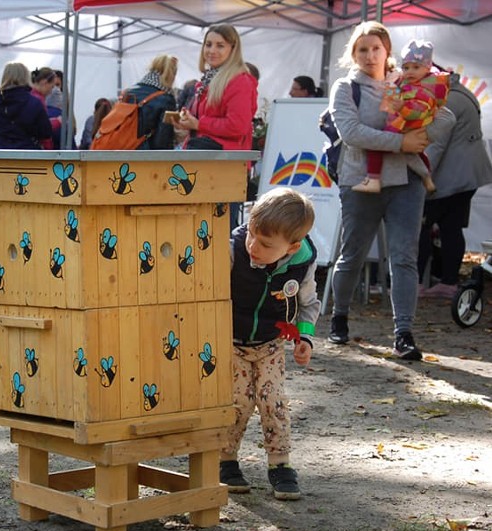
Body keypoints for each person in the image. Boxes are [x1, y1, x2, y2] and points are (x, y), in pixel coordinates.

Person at [326, 21, 454, 360]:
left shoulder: (407, 81)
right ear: (353, 53)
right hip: (359, 181)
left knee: (404, 258)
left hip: (406, 181)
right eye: (362, 49)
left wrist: (422, 139)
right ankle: (339, 318)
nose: (370, 55)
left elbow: (446, 117)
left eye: (376, 48)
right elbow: (352, 133)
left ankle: (404, 333)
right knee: (352, 254)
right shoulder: (344, 87)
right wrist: (402, 141)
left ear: (387, 51)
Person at [221, 188, 319, 501]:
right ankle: (225, 460)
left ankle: (279, 464)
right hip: (230, 340)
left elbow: (308, 303)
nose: (253, 245)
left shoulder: (303, 263)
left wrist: (304, 337)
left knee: (272, 398)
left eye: (265, 244)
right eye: (251, 234)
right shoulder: (234, 249)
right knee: (238, 400)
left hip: (271, 342)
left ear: (292, 246)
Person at [417, 65, 492, 299]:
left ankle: (416, 282)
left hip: (451, 177)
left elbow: (436, 145)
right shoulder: (463, 92)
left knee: (421, 226)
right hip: (468, 175)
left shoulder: (447, 100)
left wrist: (422, 174)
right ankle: (448, 282)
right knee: (452, 227)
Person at [174, 24, 257, 230]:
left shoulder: (240, 81)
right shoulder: (207, 80)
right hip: (204, 163)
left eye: (220, 45)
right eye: (208, 44)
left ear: (233, 48)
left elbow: (237, 125)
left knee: (219, 232)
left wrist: (198, 123)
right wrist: (187, 122)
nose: (212, 50)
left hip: (224, 167)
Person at [352, 40, 448, 194]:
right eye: (406, 67)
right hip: (411, 126)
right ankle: (427, 178)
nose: (409, 72)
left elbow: (420, 110)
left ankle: (373, 179)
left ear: (428, 67)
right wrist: (391, 91)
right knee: (417, 153)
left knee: (375, 147)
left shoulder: (424, 89)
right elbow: (395, 96)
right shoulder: (414, 83)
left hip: (404, 125)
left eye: (416, 67)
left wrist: (403, 108)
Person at [0, 62, 53, 150]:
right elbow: (45, 132)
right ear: (25, 77)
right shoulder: (34, 103)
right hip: (28, 154)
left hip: (2, 154)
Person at [120, 54, 178, 150]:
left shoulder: (128, 93)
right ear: (171, 75)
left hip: (120, 151)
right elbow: (162, 141)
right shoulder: (166, 99)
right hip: (145, 158)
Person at [30, 67, 61, 150]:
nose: (51, 91)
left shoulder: (32, 97)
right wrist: (57, 121)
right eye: (52, 86)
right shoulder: (38, 101)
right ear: (45, 82)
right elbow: (42, 127)